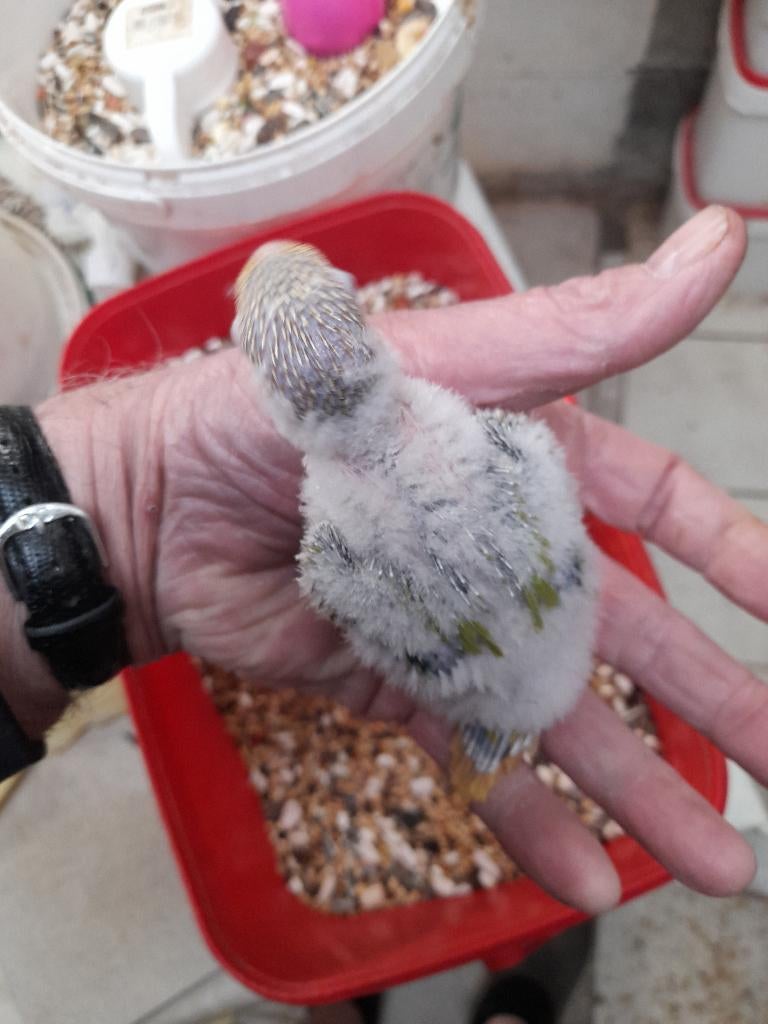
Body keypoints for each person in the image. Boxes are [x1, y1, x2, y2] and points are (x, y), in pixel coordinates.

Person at [1, 204, 765, 919]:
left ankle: (496, 721)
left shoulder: (330, 533)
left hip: (489, 667)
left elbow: (366, 604)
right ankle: (504, 709)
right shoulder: (469, 426)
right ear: (365, 330)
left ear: (271, 396)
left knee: (379, 584)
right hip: (546, 631)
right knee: (522, 469)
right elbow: (532, 491)